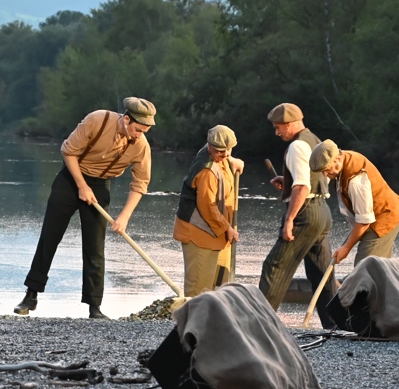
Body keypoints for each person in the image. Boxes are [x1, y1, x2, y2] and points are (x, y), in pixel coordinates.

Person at [13, 97, 157, 319]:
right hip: (71, 178)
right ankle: (31, 295)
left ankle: (94, 307)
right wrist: (81, 186)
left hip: (100, 186)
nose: (140, 135)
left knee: (95, 248)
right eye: (138, 129)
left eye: (145, 131)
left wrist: (125, 216)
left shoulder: (141, 145)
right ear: (126, 119)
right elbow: (68, 151)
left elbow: (140, 183)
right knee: (49, 238)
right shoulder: (97, 120)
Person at [258, 103, 337, 328]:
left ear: (291, 123)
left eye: (278, 127)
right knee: (322, 275)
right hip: (323, 211)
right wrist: (288, 183)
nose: (276, 132)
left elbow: (302, 187)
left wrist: (290, 220)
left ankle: (259, 325)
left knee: (275, 266)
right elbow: (319, 180)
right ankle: (335, 326)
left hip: (306, 214)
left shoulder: (296, 146)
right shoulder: (314, 140)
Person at [173, 125, 244, 297]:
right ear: (210, 146)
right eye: (221, 151)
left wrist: (233, 160)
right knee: (199, 288)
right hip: (199, 233)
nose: (225, 155)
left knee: (219, 287)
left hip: (217, 233)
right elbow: (208, 207)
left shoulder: (220, 156)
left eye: (229, 150)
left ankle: (212, 322)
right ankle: (193, 322)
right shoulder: (207, 171)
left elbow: (226, 156)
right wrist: (227, 228)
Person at [309, 139, 399, 265]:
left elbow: (364, 221)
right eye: (322, 171)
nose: (325, 174)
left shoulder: (356, 180)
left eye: (326, 170)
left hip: (384, 219)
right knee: (376, 271)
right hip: (372, 219)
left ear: (337, 159)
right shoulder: (342, 159)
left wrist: (346, 248)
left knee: (364, 268)